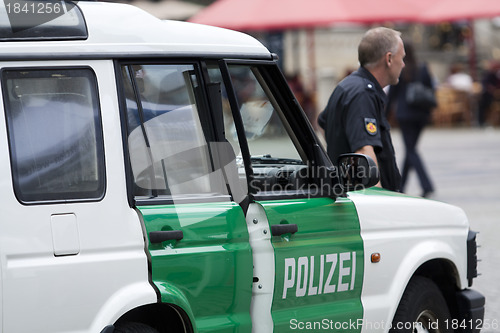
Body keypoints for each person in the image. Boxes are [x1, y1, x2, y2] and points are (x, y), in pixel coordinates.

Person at [318, 27, 404, 192]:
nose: (403, 63)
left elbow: (323, 123)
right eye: (402, 57)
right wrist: (377, 197)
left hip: (348, 194)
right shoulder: (363, 93)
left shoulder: (349, 85)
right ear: (389, 59)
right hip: (363, 200)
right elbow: (364, 149)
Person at [387, 42, 435, 197]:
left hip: (405, 115)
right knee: (411, 149)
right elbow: (431, 89)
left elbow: (392, 94)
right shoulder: (422, 68)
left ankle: (426, 184)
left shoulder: (401, 69)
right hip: (421, 115)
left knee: (411, 150)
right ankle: (401, 186)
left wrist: (384, 114)